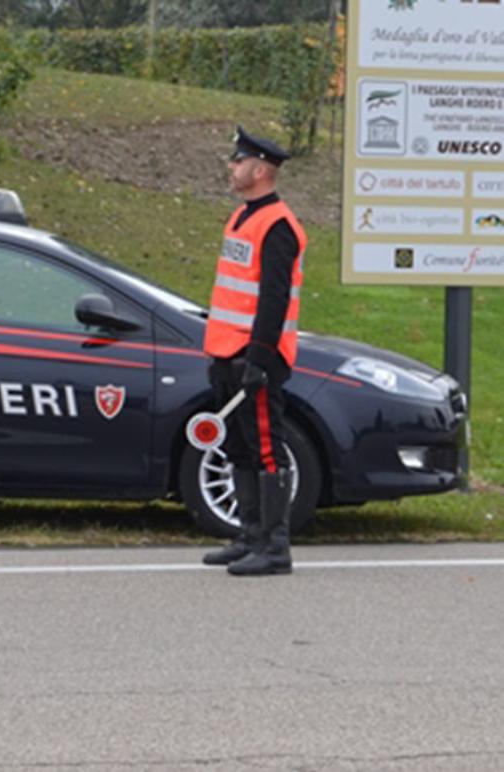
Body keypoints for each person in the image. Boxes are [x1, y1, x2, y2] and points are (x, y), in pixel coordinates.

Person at [200, 127, 306, 577]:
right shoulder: (242, 216)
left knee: (266, 448)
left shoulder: (278, 225)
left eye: (238, 161)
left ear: (260, 170)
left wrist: (260, 359)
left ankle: (275, 546)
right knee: (240, 448)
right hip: (228, 350)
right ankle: (248, 536)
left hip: (255, 354)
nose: (231, 167)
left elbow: (273, 299)